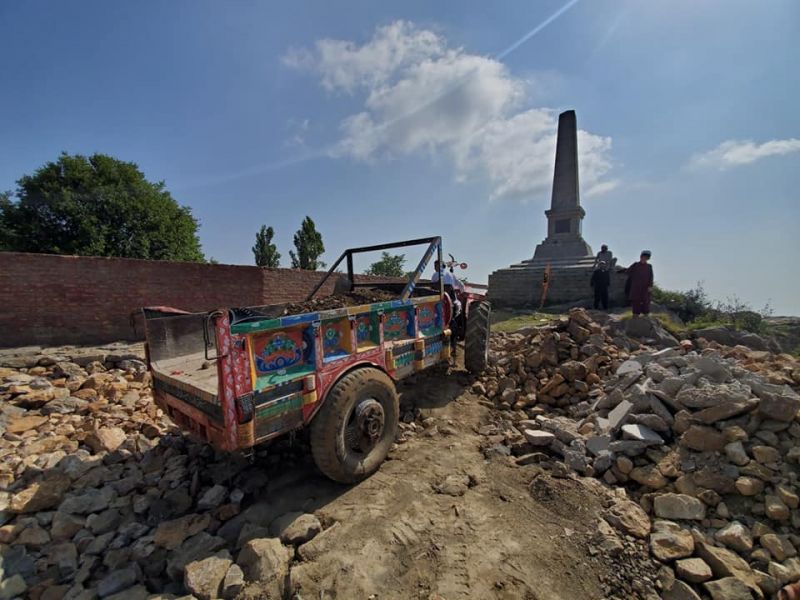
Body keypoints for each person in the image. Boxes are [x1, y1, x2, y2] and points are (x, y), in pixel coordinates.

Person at [625, 251, 654, 315]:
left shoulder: (649, 266)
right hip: (636, 286)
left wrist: (650, 286)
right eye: (643, 257)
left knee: (645, 300)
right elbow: (628, 272)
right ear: (641, 257)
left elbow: (651, 276)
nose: (644, 259)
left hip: (645, 287)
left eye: (646, 258)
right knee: (636, 300)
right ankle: (635, 314)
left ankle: (646, 313)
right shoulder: (635, 265)